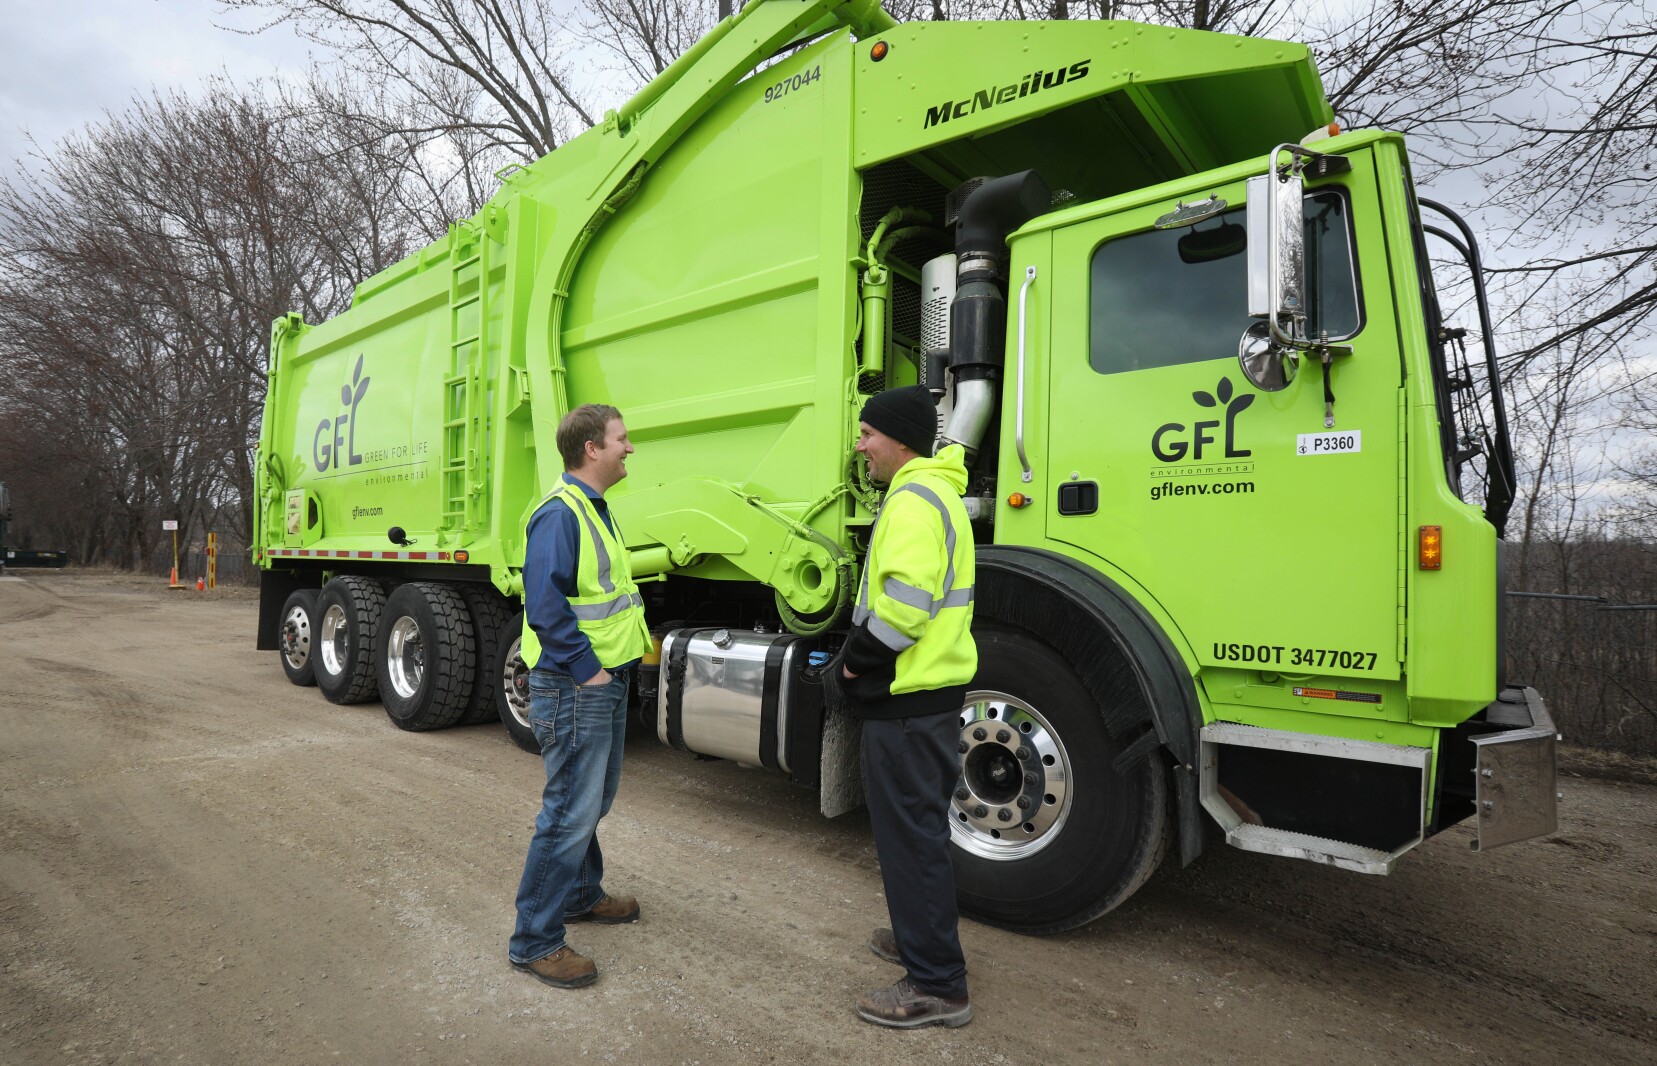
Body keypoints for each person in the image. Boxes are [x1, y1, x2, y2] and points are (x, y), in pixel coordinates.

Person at [840, 384, 978, 1028]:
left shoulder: (912, 502)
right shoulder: (936, 491)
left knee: (909, 839)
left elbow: (904, 610)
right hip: (928, 693)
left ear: (898, 439)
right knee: (920, 831)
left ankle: (937, 986)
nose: (860, 445)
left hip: (906, 695)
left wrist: (852, 661)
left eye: (868, 433)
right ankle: (920, 936)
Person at [509, 403, 652, 989]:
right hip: (575, 687)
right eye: (621, 439)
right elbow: (546, 608)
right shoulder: (559, 514)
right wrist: (591, 672)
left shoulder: (596, 509)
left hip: (598, 683)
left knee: (591, 802)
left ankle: (580, 894)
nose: (629, 448)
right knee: (569, 811)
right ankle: (534, 941)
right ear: (591, 448)